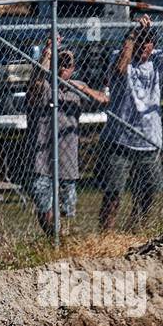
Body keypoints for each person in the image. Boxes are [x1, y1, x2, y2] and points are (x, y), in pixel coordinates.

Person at [97, 14, 163, 232]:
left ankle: (135, 231)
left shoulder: (159, 60)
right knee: (113, 193)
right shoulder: (119, 55)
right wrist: (131, 35)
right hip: (119, 139)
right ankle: (106, 236)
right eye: (140, 41)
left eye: (147, 42)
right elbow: (121, 70)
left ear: (153, 44)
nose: (144, 47)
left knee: (149, 192)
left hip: (149, 139)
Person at [26, 40, 108, 235]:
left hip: (68, 162)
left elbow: (104, 100)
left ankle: (62, 239)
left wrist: (84, 90)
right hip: (42, 161)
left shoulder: (78, 87)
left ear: (73, 68)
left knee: (66, 209)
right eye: (60, 63)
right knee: (45, 206)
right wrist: (46, 54)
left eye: (68, 65)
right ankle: (54, 238)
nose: (63, 68)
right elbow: (36, 82)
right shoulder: (45, 86)